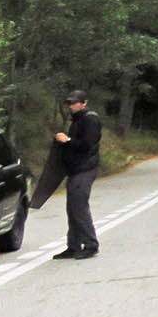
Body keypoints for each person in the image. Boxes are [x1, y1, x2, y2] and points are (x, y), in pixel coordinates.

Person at [52, 90, 101, 260]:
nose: (71, 106)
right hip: (76, 169)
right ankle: (73, 246)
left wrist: (68, 140)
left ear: (84, 103)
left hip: (86, 168)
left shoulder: (90, 118)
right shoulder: (78, 119)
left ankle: (90, 245)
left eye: (74, 102)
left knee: (79, 207)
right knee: (72, 208)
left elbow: (88, 144)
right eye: (69, 103)